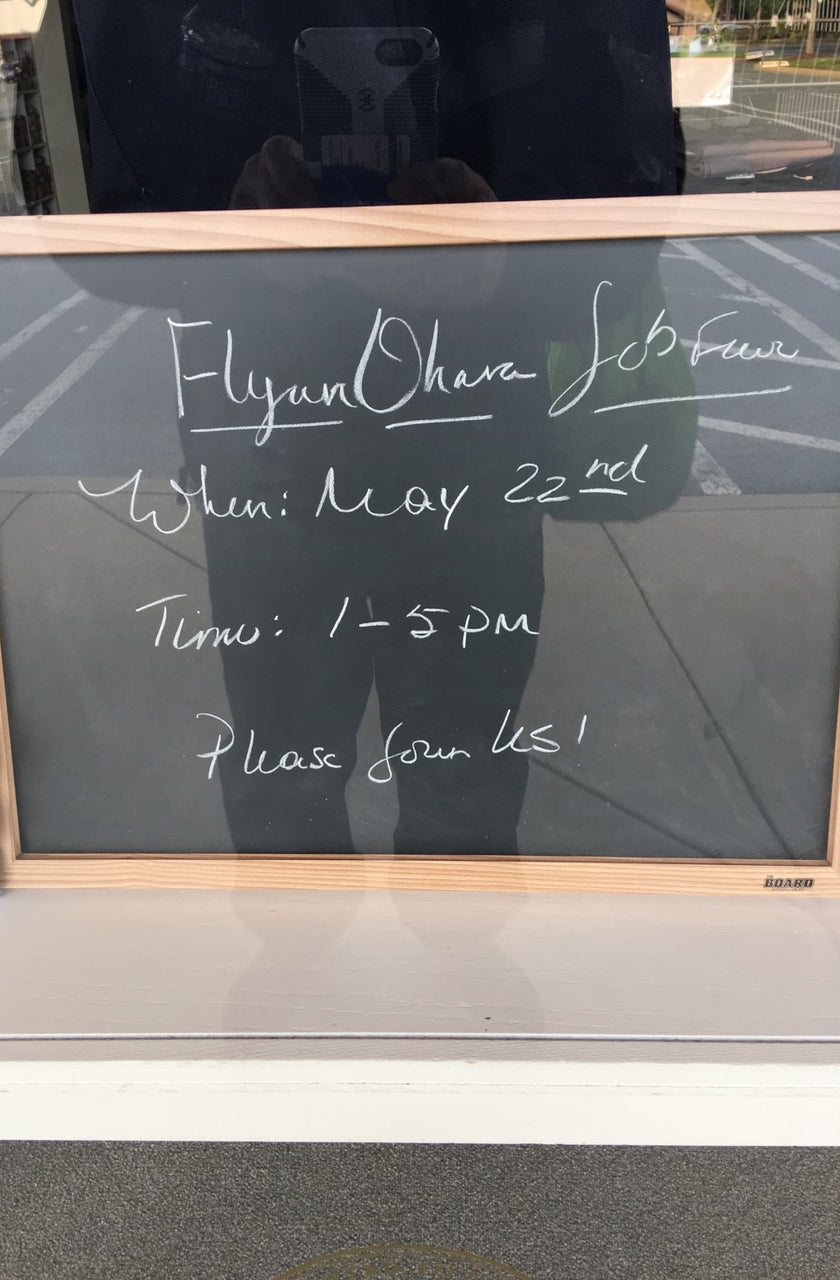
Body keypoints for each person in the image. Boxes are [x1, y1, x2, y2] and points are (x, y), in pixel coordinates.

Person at [65, 0, 696, 854]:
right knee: (325, 768)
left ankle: (399, 929)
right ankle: (370, 929)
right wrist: (230, 246)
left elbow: (625, 210)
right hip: (335, 437)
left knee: (396, 770)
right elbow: (84, 211)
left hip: (378, 435)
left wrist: (501, 265)